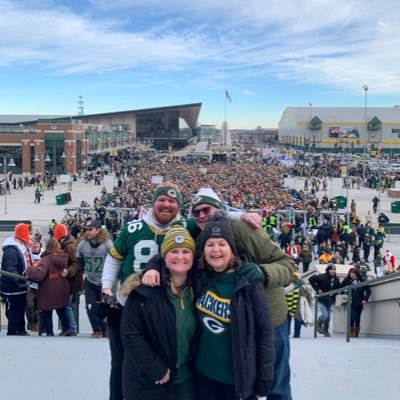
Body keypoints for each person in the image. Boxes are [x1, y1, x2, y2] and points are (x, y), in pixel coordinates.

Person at [144, 187, 295, 399]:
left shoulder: (242, 229)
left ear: (220, 210)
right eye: (196, 212)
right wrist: (152, 265)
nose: (201, 216)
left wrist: (264, 272)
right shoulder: (198, 233)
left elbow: (287, 264)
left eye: (207, 210)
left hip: (269, 317)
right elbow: (171, 248)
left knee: (275, 383)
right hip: (231, 322)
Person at [195, 212, 274, 399]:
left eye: (222, 244)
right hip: (204, 375)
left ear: (232, 249)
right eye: (210, 244)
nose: (216, 250)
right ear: (203, 250)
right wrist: (151, 267)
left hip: (237, 379)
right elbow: (172, 254)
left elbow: (265, 335)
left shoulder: (248, 281)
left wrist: (263, 383)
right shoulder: (200, 275)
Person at [120, 223, 198, 400]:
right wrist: (156, 368)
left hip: (187, 380)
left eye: (186, 251)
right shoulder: (144, 290)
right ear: (163, 256)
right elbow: (131, 334)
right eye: (174, 251)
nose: (180, 257)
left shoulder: (200, 288)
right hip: (151, 381)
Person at [25, 239, 71, 336]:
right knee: (62, 310)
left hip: (48, 290)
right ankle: (67, 329)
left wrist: (30, 269)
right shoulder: (63, 257)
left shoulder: (46, 259)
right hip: (61, 288)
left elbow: (39, 275)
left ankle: (49, 332)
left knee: (46, 312)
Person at [77, 219, 113, 338]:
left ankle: (106, 330)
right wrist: (84, 270)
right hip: (91, 280)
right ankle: (97, 330)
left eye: (90, 229)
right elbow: (79, 258)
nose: (87, 232)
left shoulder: (107, 244)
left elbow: (115, 260)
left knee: (106, 306)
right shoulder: (82, 244)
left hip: (105, 281)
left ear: (98, 230)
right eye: (86, 229)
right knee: (89, 306)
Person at [0, 223, 31, 335]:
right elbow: (10, 269)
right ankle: (13, 331)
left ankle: (21, 330)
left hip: (20, 286)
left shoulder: (20, 247)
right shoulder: (11, 251)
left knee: (21, 307)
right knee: (15, 309)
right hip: (13, 286)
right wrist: (20, 279)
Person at [53, 223, 82, 336]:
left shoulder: (69, 247)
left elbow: (76, 263)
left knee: (66, 305)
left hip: (71, 281)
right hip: (68, 280)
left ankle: (71, 328)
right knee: (65, 305)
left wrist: (68, 272)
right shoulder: (67, 244)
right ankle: (67, 328)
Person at [309, 263, 340, 337]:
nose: (333, 271)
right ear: (328, 270)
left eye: (334, 270)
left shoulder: (336, 278)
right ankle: (318, 322)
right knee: (325, 315)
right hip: (321, 299)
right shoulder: (322, 276)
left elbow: (338, 288)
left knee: (328, 317)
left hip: (329, 300)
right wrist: (317, 289)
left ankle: (325, 330)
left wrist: (334, 293)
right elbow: (311, 279)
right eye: (331, 270)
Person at [340, 267, 371, 338]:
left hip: (359, 302)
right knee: (352, 317)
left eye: (353, 275)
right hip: (350, 301)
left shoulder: (363, 280)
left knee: (357, 318)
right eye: (350, 275)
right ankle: (351, 332)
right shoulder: (347, 280)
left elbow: (368, 291)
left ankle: (356, 333)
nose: (351, 277)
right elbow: (341, 287)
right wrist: (344, 295)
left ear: (357, 274)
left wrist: (365, 299)